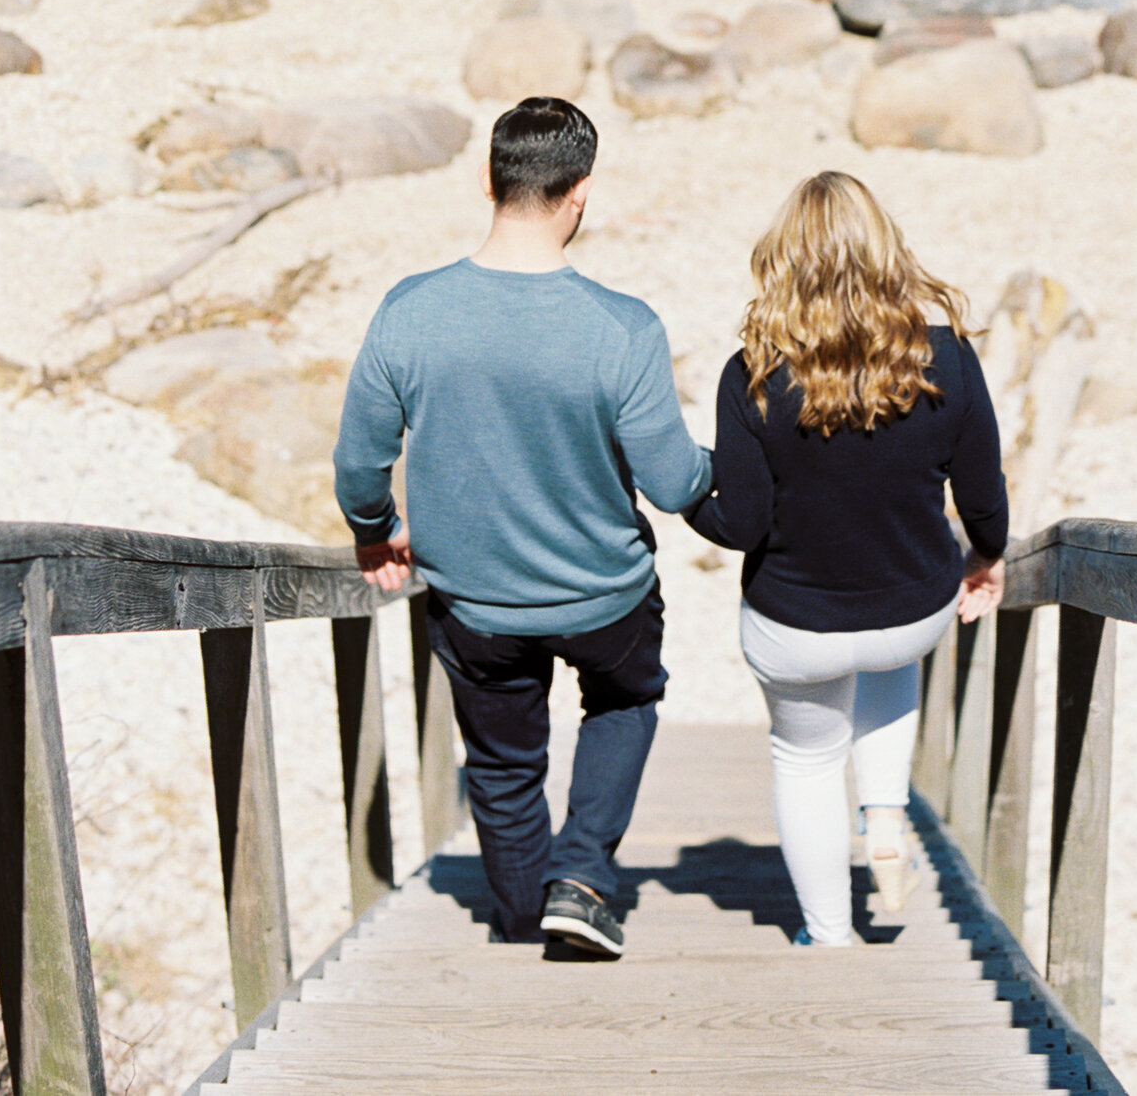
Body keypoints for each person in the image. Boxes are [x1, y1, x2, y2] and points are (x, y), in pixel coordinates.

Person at [333, 96, 712, 956]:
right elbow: (670, 478)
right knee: (624, 697)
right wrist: (730, 469)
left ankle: (515, 919)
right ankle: (578, 878)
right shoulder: (623, 327)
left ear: (486, 180)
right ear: (580, 194)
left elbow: (359, 459)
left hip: (475, 605)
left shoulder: (410, 310)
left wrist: (373, 529)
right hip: (604, 597)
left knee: (504, 766)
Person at [686, 170, 1007, 948]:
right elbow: (982, 497)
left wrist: (688, 486)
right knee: (891, 642)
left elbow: (740, 523)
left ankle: (829, 936)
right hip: (912, 611)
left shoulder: (752, 375)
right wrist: (988, 559)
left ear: (783, 260)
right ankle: (887, 808)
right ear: (886, 250)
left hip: (796, 624)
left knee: (804, 761)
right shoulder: (948, 361)